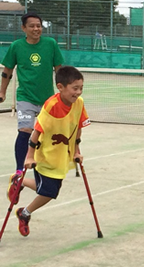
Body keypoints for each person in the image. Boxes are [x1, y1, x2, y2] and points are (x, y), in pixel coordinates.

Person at [12, 66, 90, 237]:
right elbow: (36, 131)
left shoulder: (79, 103)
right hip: (45, 154)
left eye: (81, 88)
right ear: (61, 87)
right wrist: (29, 156)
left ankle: (20, 180)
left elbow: (78, 128)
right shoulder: (51, 105)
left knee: (48, 188)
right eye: (74, 88)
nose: (78, 92)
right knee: (49, 192)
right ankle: (24, 213)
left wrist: (77, 151)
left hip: (62, 155)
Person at [2, 12, 64, 198]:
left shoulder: (51, 44)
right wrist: (2, 91)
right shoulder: (16, 47)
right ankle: (19, 172)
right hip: (25, 98)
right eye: (32, 26)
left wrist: (63, 93)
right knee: (25, 130)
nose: (36, 29)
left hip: (48, 99)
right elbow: (7, 71)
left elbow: (59, 69)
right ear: (24, 29)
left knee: (47, 135)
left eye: (39, 25)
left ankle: (43, 169)